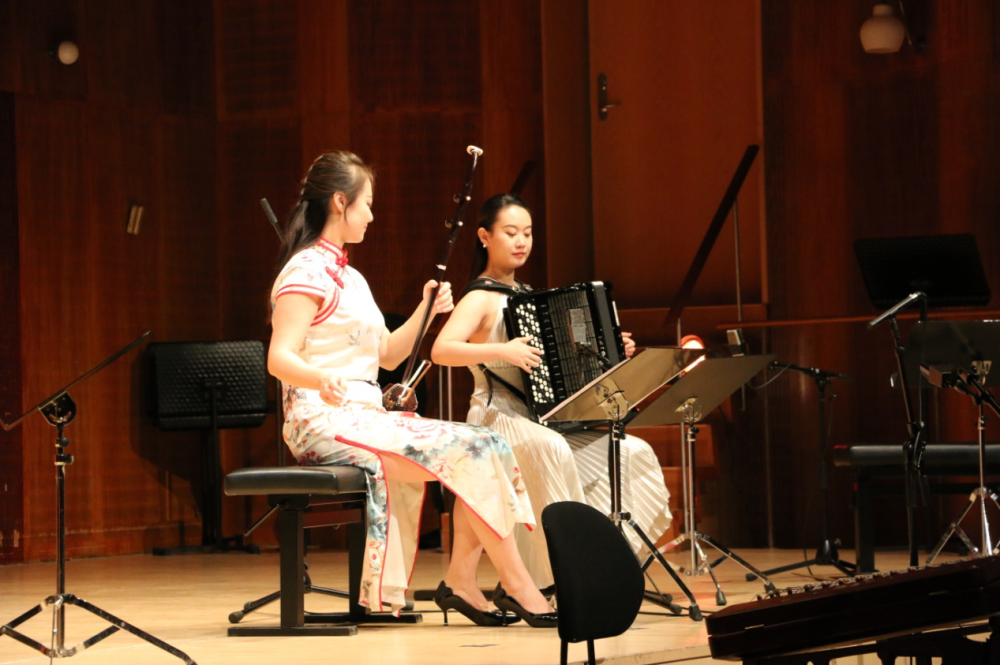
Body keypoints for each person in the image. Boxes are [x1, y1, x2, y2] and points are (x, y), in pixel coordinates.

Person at [267, 152, 556, 627]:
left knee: (486, 444)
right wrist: (321, 379)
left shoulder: (351, 277)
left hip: (362, 415)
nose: (371, 215)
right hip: (321, 418)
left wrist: (427, 310)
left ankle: (463, 581)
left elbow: (386, 355)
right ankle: (519, 587)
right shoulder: (304, 272)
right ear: (340, 202)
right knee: (472, 447)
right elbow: (279, 357)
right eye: (367, 203)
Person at [431, 193, 672, 588]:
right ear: (484, 237)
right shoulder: (479, 297)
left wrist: (613, 349)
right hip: (496, 415)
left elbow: (565, 363)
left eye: (527, 233)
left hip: (537, 417)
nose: (521, 241)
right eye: (511, 232)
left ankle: (601, 563)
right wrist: (501, 350)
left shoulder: (528, 296)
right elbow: (441, 351)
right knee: (552, 448)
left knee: (632, 451)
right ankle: (556, 575)